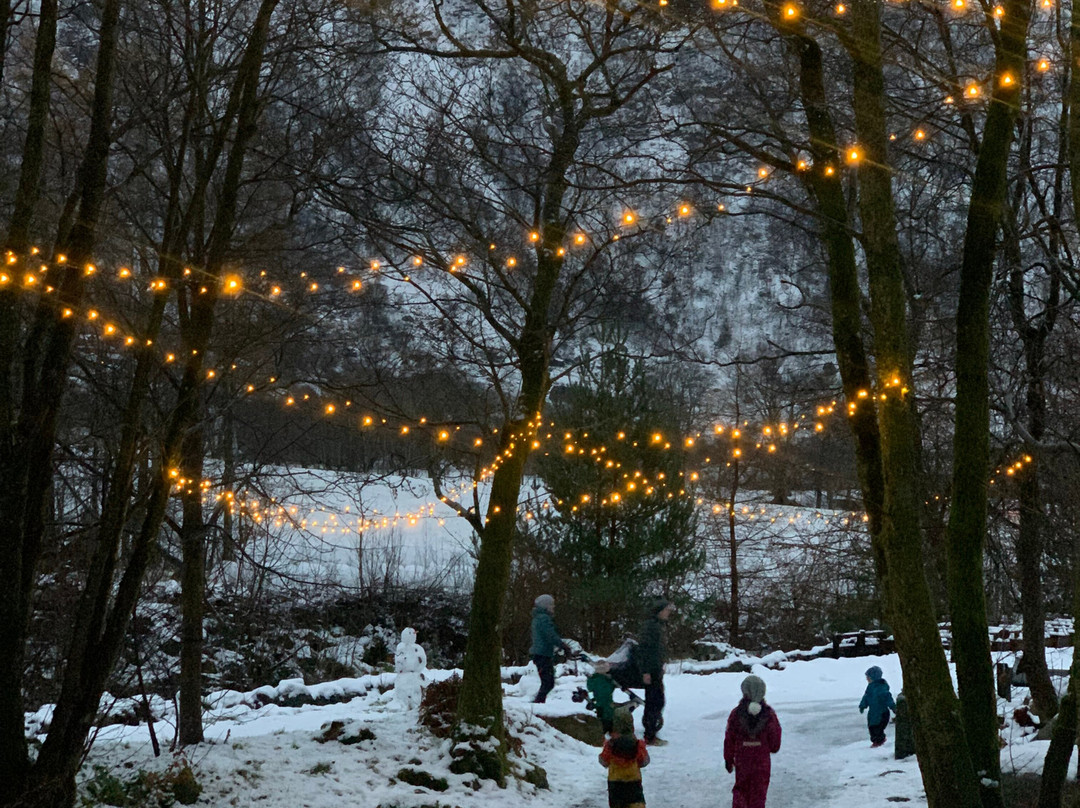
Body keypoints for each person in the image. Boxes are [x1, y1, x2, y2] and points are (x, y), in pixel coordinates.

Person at [723, 674, 782, 808]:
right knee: (758, 794)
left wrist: (728, 758)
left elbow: (729, 738)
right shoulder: (769, 715)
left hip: (742, 760)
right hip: (761, 762)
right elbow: (774, 745)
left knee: (741, 790)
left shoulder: (736, 714)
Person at [637, 596, 672, 745]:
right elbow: (644, 650)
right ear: (659, 611)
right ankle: (650, 735)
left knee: (657, 701)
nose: (668, 612)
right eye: (666, 610)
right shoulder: (650, 627)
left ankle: (651, 731)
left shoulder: (658, 626)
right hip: (650, 671)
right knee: (654, 702)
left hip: (656, 670)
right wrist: (645, 671)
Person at [599, 706, 650, 808]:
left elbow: (603, 761)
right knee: (636, 804)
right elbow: (644, 761)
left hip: (615, 783)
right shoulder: (637, 743)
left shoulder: (610, 745)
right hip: (633, 783)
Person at [530, 593, 570, 703]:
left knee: (547, 681)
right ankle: (538, 705)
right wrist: (563, 646)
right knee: (548, 682)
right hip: (543, 654)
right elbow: (550, 635)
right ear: (545, 606)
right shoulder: (543, 619)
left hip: (540, 653)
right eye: (551, 605)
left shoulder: (538, 618)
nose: (553, 607)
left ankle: (539, 703)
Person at [859, 665, 896, 748]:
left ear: (873, 677)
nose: (867, 679)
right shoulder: (870, 687)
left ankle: (879, 740)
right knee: (871, 727)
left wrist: (893, 707)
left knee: (878, 727)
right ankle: (876, 741)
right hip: (873, 712)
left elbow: (888, 698)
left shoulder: (881, 688)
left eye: (868, 677)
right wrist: (862, 705)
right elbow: (866, 697)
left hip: (882, 712)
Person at [587, 659, 617, 734]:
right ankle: (608, 728)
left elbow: (590, 690)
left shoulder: (592, 680)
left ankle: (602, 726)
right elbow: (609, 690)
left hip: (596, 701)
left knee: (599, 712)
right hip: (606, 702)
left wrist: (592, 700)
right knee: (608, 714)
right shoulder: (606, 681)